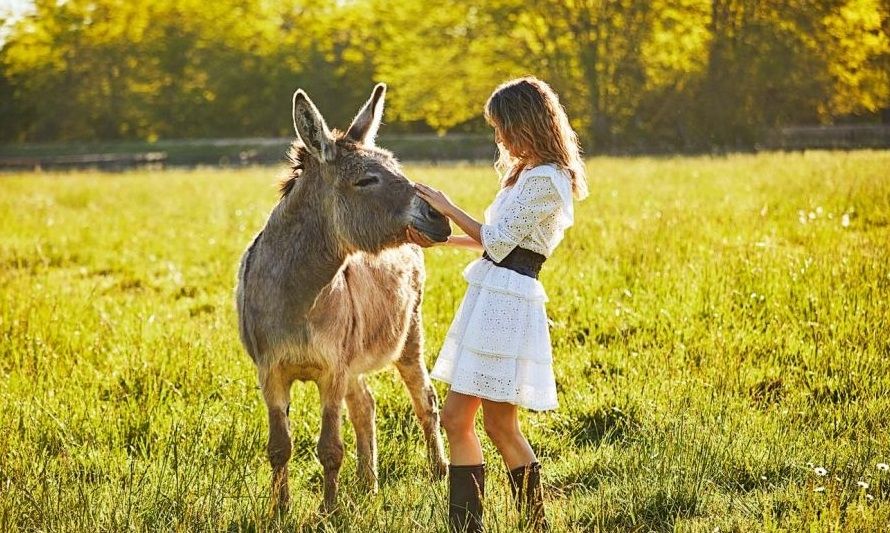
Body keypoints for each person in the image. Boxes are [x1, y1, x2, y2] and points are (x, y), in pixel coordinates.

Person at [407, 76, 588, 532]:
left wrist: (447, 207)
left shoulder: (549, 180)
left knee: (486, 424)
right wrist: (440, 242)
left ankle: (522, 526)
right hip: (492, 292)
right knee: (476, 423)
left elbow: (502, 242)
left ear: (526, 122)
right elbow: (494, 244)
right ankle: (481, 526)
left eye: (502, 125)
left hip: (508, 301)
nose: (499, 137)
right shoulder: (525, 174)